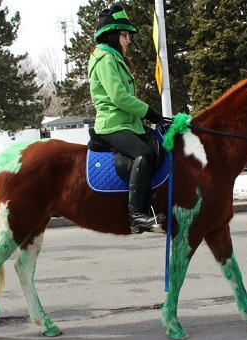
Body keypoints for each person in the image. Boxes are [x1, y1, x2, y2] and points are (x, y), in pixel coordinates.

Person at [87, 4, 165, 233]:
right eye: (124, 35)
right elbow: (119, 97)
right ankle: (137, 216)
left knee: (158, 146)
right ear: (110, 35)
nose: (128, 40)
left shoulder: (114, 58)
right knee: (143, 154)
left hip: (128, 123)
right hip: (112, 124)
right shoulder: (105, 60)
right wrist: (150, 113)